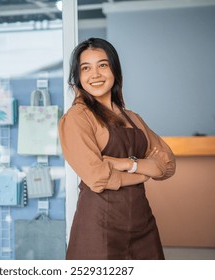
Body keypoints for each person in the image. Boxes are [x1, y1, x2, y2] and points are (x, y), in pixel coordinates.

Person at [58, 38, 176, 260]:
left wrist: (126, 164)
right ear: (78, 77)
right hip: (99, 227)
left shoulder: (133, 118)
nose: (95, 74)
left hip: (142, 224)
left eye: (102, 65)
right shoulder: (77, 118)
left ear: (115, 70)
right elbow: (97, 178)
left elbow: (167, 165)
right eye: (86, 68)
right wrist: (143, 172)